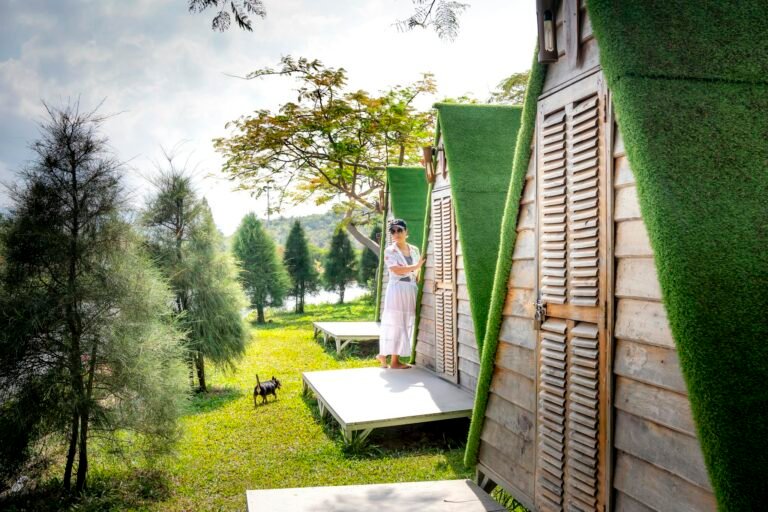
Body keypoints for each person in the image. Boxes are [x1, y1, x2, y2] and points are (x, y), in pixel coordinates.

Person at [377, 219, 425, 369]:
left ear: (406, 232)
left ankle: (384, 356)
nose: (396, 233)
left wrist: (418, 274)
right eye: (393, 231)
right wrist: (415, 266)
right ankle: (392, 360)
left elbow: (418, 273)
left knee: (405, 322)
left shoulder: (415, 250)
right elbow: (395, 270)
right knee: (396, 322)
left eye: (399, 230)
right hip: (397, 290)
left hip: (411, 289)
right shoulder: (390, 250)